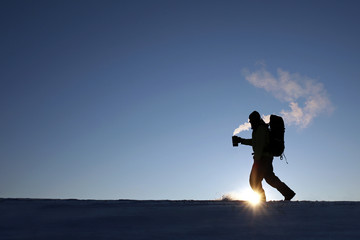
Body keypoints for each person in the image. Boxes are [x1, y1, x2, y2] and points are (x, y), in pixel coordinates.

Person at [233, 111, 295, 202]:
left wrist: (257, 161)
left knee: (254, 181)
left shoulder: (260, 129)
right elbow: (255, 142)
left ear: (255, 120)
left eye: (251, 121)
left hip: (262, 158)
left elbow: (259, 145)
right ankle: (288, 193)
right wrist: (241, 140)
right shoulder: (260, 129)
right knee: (270, 178)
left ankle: (262, 200)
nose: (250, 123)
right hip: (266, 157)